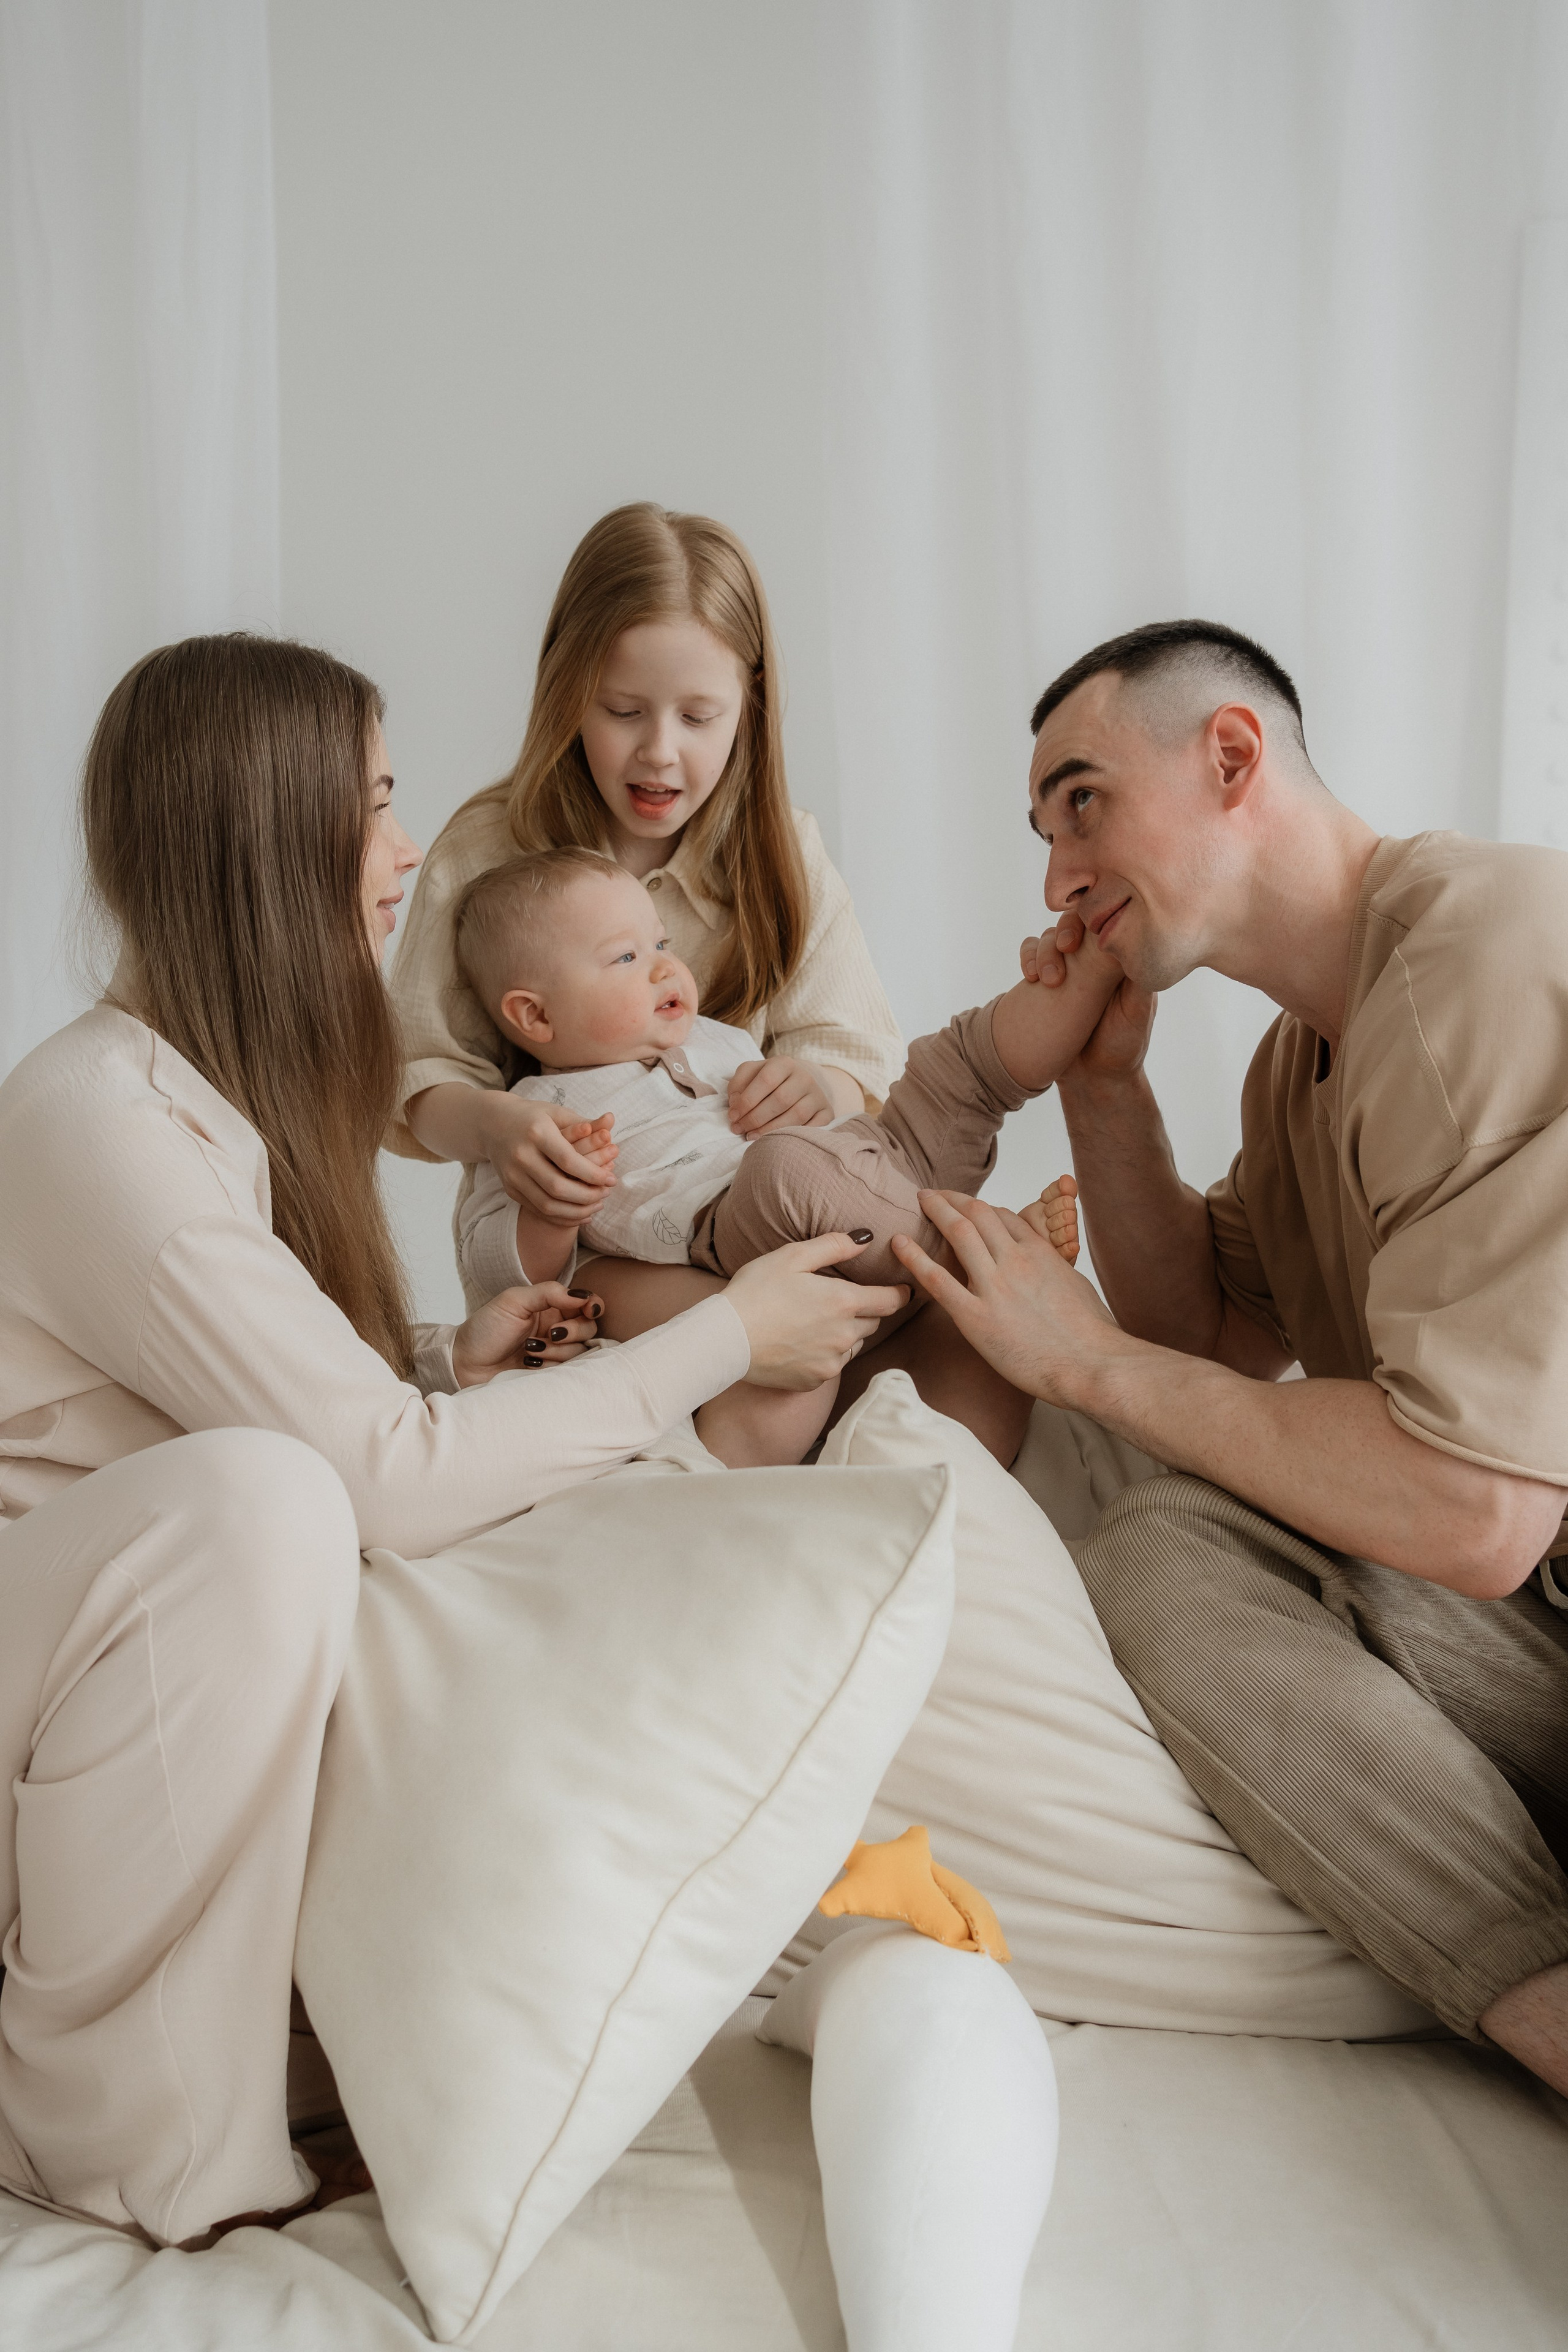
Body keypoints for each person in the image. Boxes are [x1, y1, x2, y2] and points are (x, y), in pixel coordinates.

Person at [0, 633, 905, 2249]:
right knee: (280, 1503)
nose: (405, 851)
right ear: (262, 834)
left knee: (427, 1499)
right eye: (374, 803)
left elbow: (247, 1395)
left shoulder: (208, 1103)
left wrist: (442, 1353)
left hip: (99, 1696)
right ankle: (125, 2137)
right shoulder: (100, 1115)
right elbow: (362, 1477)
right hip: (50, 1703)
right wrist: (724, 1333)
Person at [888, 617, 1568, 2096]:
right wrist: (1101, 1082)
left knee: (1171, 1534)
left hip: (1522, 1580)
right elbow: (1202, 1334)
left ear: (1231, 757)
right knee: (1169, 1547)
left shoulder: (1475, 950)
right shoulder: (1299, 1060)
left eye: (1081, 802)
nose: (1058, 874)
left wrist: (1080, 1367)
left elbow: (1472, 1509)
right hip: (1537, 1635)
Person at [387, 501, 1036, 1461]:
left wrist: (814, 1085)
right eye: (622, 711)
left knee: (974, 1360)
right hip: (604, 1252)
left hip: (777, 1213)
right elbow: (409, 1077)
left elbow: (852, 1053)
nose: (659, 751)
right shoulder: (489, 853)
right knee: (773, 1344)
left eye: (699, 717)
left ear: (752, 703)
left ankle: (912, 1502)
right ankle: (761, 1479)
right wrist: (495, 1126)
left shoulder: (783, 851)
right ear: (569, 691)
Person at [451, 848, 1104, 1463]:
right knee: (785, 1168)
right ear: (535, 1017)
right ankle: (984, 1262)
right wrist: (554, 1208)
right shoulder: (538, 1116)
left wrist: (809, 1086)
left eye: (661, 944)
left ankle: (1087, 972)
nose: (662, 967)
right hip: (741, 1234)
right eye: (624, 958)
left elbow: (837, 1135)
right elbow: (502, 1265)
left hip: (862, 1197)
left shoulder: (716, 1040)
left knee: (946, 1071)